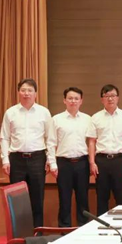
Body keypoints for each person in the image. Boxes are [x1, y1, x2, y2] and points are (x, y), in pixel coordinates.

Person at [0, 78, 52, 227]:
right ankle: (19, 235)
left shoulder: (44, 112)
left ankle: (38, 233)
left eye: (30, 90)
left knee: (37, 199)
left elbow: (50, 138)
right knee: (17, 199)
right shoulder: (11, 112)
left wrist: (50, 159)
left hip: (37, 158)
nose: (26, 93)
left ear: (35, 93)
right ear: (18, 92)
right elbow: (4, 137)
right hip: (16, 160)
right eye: (23, 90)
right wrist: (5, 160)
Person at [47, 87, 91, 227]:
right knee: (64, 199)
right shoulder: (56, 119)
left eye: (76, 98)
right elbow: (51, 143)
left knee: (83, 198)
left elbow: (91, 142)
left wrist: (91, 162)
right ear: (64, 100)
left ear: (81, 101)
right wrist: (52, 164)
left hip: (82, 162)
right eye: (70, 98)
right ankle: (64, 229)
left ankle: (83, 228)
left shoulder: (87, 119)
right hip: (63, 163)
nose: (73, 101)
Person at [87, 84, 122, 216]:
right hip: (101, 161)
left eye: (113, 96)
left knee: (121, 196)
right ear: (102, 99)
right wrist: (92, 162)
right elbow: (92, 141)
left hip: (120, 160)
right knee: (102, 197)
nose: (110, 99)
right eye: (106, 96)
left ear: (118, 98)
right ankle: (102, 226)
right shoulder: (95, 118)